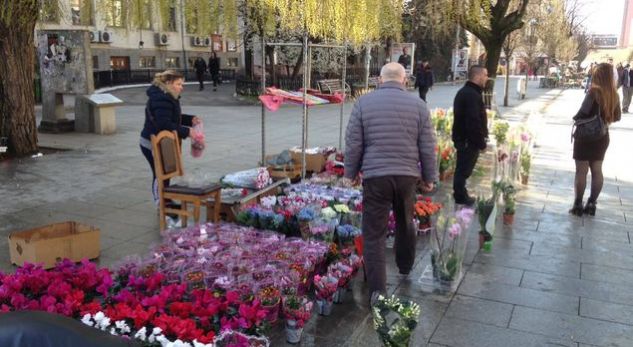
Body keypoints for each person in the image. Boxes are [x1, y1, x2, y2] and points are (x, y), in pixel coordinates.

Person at [344, 62, 437, 304]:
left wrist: (350, 173)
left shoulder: (364, 103)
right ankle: (405, 266)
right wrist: (429, 178)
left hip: (376, 176)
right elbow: (427, 146)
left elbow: (354, 142)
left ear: (380, 80)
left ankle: (378, 290)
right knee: (406, 221)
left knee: (374, 233)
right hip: (407, 176)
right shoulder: (419, 105)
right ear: (405, 81)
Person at [139, 70, 202, 217]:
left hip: (161, 142)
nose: (182, 87)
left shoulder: (166, 95)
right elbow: (164, 123)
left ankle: (165, 201)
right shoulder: (162, 97)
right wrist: (187, 132)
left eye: (182, 84)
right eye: (179, 84)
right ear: (168, 83)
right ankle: (161, 204)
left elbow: (171, 117)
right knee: (160, 173)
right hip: (151, 143)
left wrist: (189, 120)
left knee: (166, 173)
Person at [569, 63, 621, 216]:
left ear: (599, 76)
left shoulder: (593, 92)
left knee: (581, 171)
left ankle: (578, 204)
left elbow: (583, 113)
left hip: (585, 137)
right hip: (602, 137)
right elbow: (617, 117)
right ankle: (591, 203)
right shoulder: (614, 94)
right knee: (597, 171)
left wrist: (576, 118)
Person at [451, 65, 489, 206]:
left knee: (463, 169)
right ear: (478, 76)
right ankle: (460, 196)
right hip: (467, 140)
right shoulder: (470, 94)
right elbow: (473, 122)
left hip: (465, 139)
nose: (486, 78)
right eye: (485, 75)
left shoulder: (470, 92)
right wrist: (481, 143)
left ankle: (461, 193)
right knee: (463, 170)